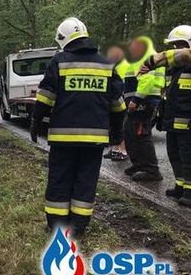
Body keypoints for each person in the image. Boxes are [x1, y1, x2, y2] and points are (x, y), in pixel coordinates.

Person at [30, 17, 125, 234]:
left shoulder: (59, 62)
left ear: (63, 39)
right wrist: (117, 133)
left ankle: (56, 226)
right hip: (94, 141)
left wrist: (36, 122)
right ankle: (78, 227)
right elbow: (118, 105)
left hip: (63, 140)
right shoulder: (106, 64)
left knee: (60, 179)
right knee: (86, 181)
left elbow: (45, 98)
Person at [144, 26, 191, 207]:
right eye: (173, 46)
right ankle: (180, 186)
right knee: (175, 155)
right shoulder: (174, 69)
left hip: (187, 122)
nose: (175, 49)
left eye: (179, 45)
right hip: (173, 121)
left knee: (188, 158)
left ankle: (189, 191)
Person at [122, 36, 165, 182]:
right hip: (140, 101)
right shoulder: (140, 57)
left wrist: (136, 100)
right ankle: (139, 164)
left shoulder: (146, 56)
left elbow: (147, 79)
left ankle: (152, 170)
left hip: (144, 101)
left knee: (141, 134)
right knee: (129, 131)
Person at [104, 45, 129, 161]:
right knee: (114, 126)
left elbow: (119, 84)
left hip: (120, 97)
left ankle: (122, 150)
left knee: (119, 126)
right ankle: (115, 149)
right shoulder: (116, 65)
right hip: (118, 96)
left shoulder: (124, 64)